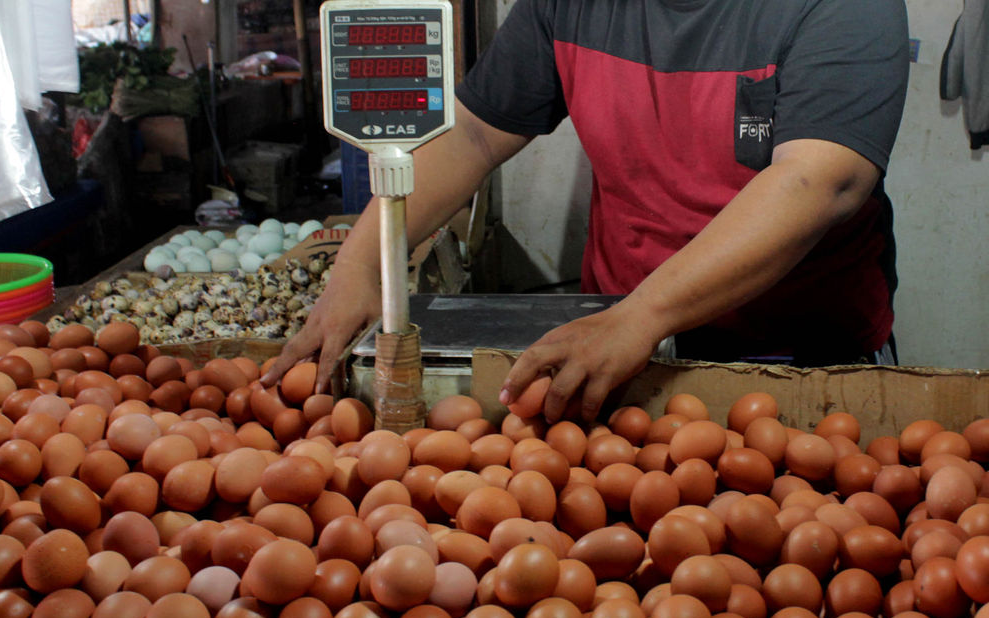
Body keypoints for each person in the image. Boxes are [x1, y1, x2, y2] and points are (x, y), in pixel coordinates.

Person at [263, 0, 910, 423]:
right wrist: (363, 262)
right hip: (623, 346)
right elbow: (476, 134)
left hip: (804, 353)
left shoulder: (843, 9)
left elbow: (820, 181)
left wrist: (644, 313)